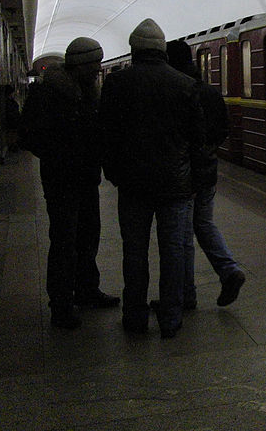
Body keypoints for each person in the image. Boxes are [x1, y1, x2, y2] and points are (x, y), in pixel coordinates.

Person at [99, 19, 204, 339]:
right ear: (162, 51)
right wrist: (193, 180)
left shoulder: (117, 84)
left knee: (134, 252)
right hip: (175, 186)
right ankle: (171, 318)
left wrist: (115, 174)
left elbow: (106, 136)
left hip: (133, 186)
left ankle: (135, 316)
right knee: (173, 252)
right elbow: (197, 139)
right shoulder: (185, 84)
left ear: (133, 50)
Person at [18, 37, 119, 330]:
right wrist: (59, 151)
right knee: (64, 242)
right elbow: (28, 135)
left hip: (86, 177)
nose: (98, 70)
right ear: (81, 65)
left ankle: (87, 290)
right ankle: (60, 304)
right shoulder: (47, 93)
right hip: (61, 179)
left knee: (88, 236)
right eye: (95, 64)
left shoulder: (88, 92)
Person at [163, 40, 246, 310]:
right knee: (205, 224)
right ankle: (229, 270)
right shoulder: (210, 92)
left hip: (184, 173)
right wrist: (208, 152)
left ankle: (186, 294)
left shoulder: (176, 93)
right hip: (208, 172)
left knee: (184, 234)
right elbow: (224, 129)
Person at [3, 84, 21, 152]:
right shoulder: (8, 102)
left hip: (13, 119)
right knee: (12, 133)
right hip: (12, 120)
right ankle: (12, 145)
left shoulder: (9, 101)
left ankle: (13, 144)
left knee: (12, 133)